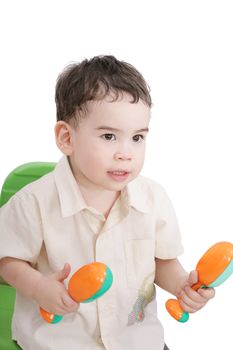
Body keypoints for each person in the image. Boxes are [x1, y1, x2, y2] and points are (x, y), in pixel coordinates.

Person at [0, 55, 215, 350]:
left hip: (137, 340)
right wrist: (38, 287)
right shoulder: (34, 202)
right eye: (109, 136)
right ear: (66, 138)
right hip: (61, 341)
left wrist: (181, 286)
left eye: (137, 138)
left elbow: (162, 260)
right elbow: (7, 259)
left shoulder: (153, 199)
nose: (126, 153)